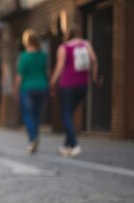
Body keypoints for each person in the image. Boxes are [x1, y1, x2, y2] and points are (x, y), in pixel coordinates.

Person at [49, 26, 98, 157]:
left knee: (66, 114)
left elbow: (59, 68)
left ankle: (75, 145)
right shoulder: (86, 44)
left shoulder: (64, 47)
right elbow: (94, 60)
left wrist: (52, 83)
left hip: (67, 85)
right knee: (69, 114)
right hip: (83, 84)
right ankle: (66, 146)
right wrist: (94, 77)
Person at [16, 30, 49, 154]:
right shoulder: (43, 55)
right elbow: (46, 72)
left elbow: (19, 76)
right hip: (42, 87)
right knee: (36, 115)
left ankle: (32, 139)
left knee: (28, 115)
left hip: (28, 88)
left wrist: (16, 89)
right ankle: (35, 137)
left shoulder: (24, 56)